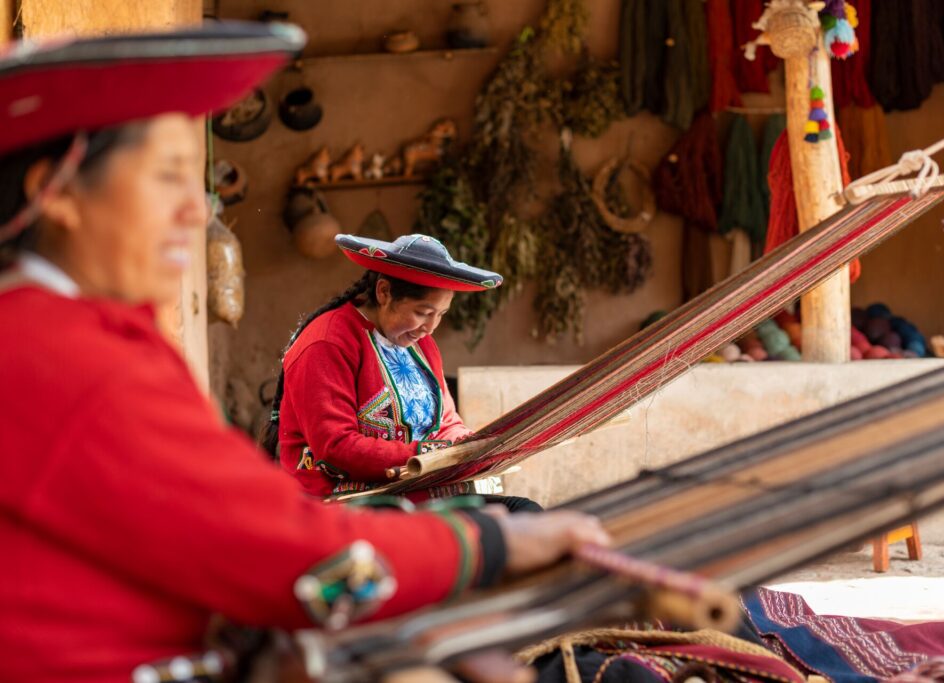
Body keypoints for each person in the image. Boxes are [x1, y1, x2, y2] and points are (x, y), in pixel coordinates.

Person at [0, 24, 608, 683]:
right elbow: (277, 550)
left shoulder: (70, 333)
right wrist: (485, 545)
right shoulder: (64, 357)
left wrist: (458, 452)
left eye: (196, 183)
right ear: (55, 192)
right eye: (167, 176)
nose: (194, 212)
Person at [261, 233, 541, 510]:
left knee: (523, 512)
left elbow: (446, 421)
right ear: (384, 292)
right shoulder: (326, 343)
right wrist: (429, 455)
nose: (431, 328)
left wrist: (471, 447)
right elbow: (336, 447)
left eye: (440, 315)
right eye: (423, 312)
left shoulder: (421, 344)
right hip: (349, 502)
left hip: (418, 493)